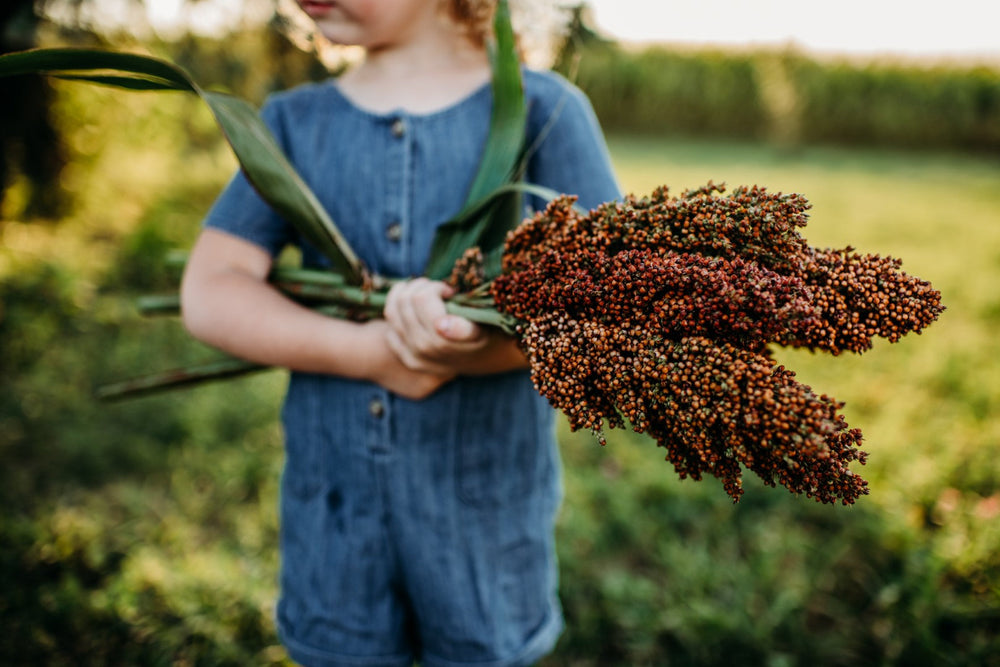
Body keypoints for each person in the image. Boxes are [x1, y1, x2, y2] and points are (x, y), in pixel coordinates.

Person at [180, 1, 620, 665]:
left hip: (483, 524)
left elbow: (607, 306)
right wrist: (372, 352)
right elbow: (212, 290)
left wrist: (475, 346)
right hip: (336, 521)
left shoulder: (544, 111)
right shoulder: (290, 124)